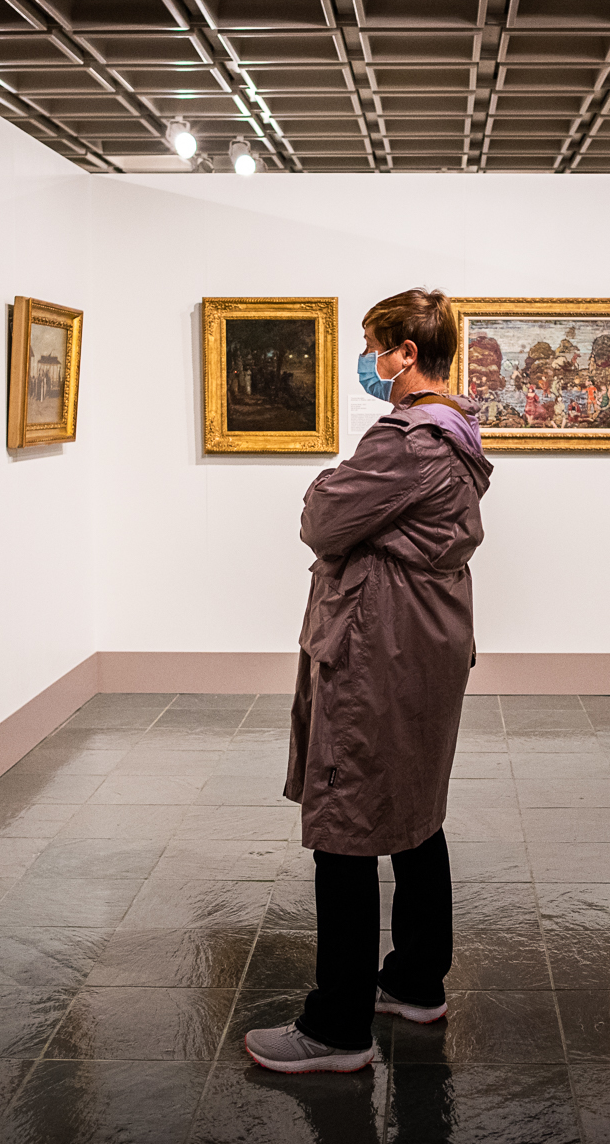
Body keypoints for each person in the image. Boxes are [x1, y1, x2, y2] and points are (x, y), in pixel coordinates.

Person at [245, 288, 494, 1075]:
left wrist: (329, 489)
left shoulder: (404, 443)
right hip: (422, 647)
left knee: (346, 825)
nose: (369, 361)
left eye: (373, 346)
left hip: (376, 651)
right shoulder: (456, 434)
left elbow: (322, 517)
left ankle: (338, 1025)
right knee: (417, 810)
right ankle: (416, 981)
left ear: (405, 353)